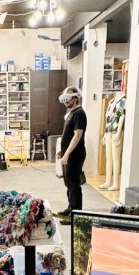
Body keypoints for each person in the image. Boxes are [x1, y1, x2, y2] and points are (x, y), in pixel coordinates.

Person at [55, 87, 86, 221]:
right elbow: (67, 136)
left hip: (75, 155)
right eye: (64, 99)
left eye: (68, 99)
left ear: (75, 98)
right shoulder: (71, 113)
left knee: (74, 184)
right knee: (68, 183)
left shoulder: (79, 113)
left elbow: (77, 135)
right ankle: (70, 209)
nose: (66, 102)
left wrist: (67, 154)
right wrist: (62, 152)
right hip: (68, 154)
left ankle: (76, 215)